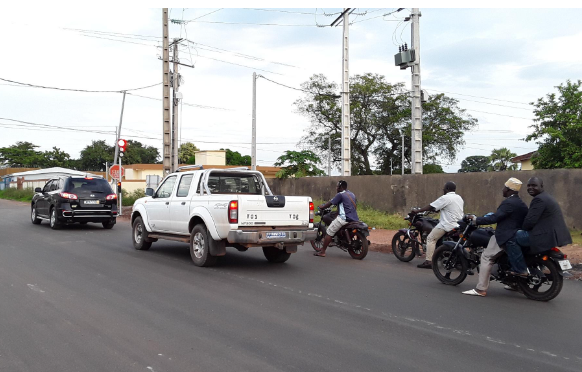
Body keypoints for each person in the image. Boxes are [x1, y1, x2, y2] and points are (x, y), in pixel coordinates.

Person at [462, 178, 529, 297]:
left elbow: (494, 218)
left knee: (486, 257)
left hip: (505, 235)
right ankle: (514, 284)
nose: (503, 190)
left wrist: (476, 220)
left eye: (504, 188)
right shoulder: (520, 203)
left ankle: (480, 289)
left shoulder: (508, 203)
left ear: (508, 190)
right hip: (515, 233)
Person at [411, 181, 464, 269]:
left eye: (444, 188)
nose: (443, 190)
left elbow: (430, 206)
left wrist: (417, 211)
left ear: (447, 189)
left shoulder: (445, 197)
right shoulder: (459, 197)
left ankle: (428, 261)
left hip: (447, 224)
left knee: (430, 238)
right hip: (458, 224)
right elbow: (445, 208)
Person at [519, 177, 572, 255]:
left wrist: (521, 228)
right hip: (555, 234)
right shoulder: (546, 197)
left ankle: (519, 266)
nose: (530, 188)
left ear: (541, 186)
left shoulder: (539, 199)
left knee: (512, 237)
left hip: (545, 236)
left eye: (534, 185)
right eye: (528, 186)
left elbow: (530, 221)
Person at [313, 180, 359, 257]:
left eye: (337, 186)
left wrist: (322, 207)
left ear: (340, 187)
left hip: (344, 218)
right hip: (354, 218)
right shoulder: (351, 194)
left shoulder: (340, 195)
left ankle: (322, 252)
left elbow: (330, 203)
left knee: (329, 232)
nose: (336, 188)